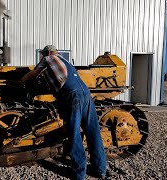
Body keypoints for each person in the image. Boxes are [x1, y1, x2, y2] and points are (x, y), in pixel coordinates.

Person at [18, 45, 107, 180]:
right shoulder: (65, 61)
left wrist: (19, 82)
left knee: (74, 133)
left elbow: (33, 74)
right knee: (93, 132)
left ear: (48, 53)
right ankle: (100, 170)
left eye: (43, 54)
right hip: (86, 94)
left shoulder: (48, 58)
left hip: (72, 96)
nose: (42, 56)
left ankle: (79, 174)